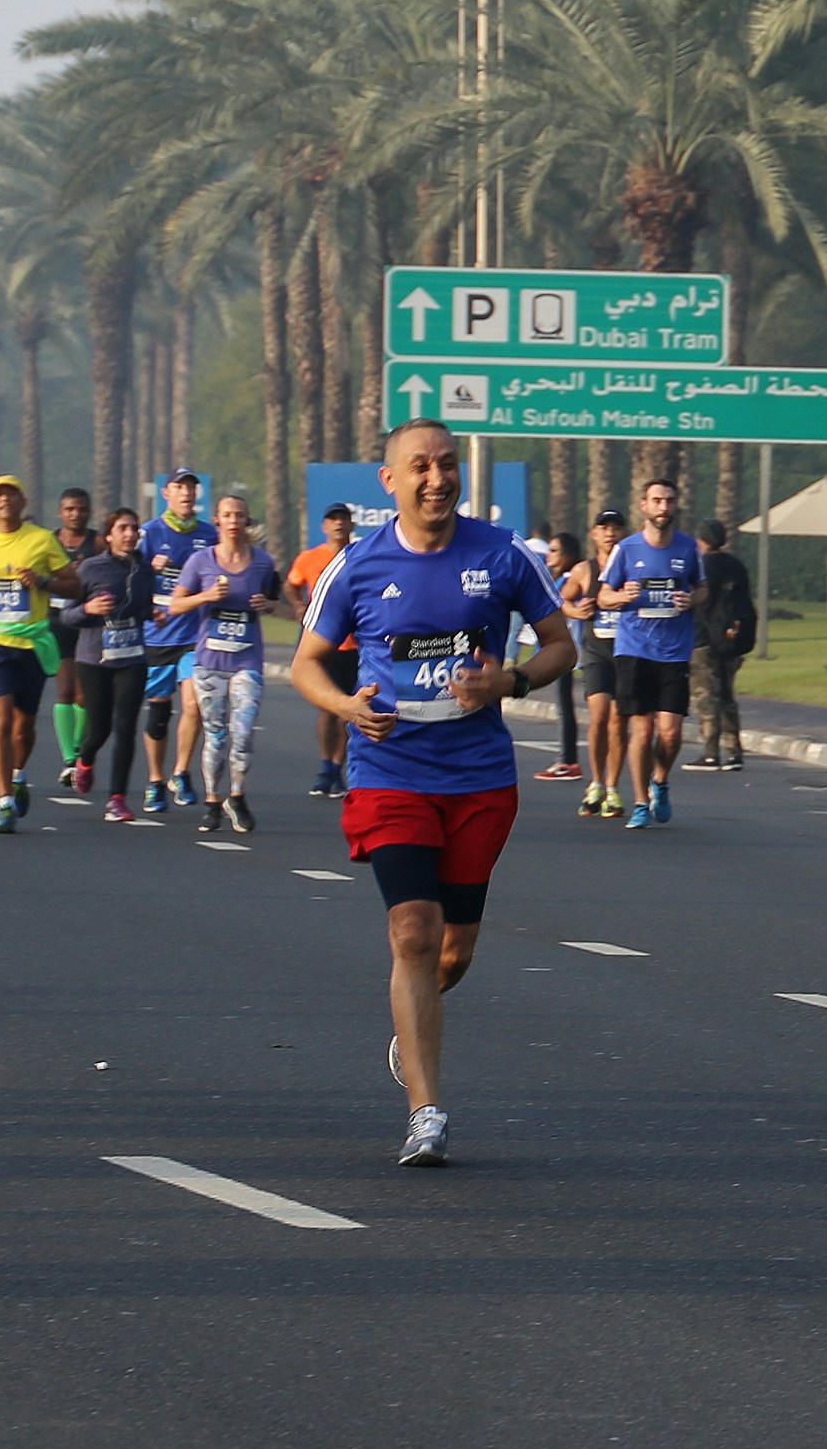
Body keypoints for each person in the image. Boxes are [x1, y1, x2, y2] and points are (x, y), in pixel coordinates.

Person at [290, 419, 574, 1168]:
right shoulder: (356, 564)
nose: (436, 479)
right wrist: (347, 707)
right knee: (413, 932)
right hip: (389, 770)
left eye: (447, 464)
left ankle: (414, 1017)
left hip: (479, 777)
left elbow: (561, 645)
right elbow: (306, 663)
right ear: (390, 481)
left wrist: (509, 681)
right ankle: (427, 1113)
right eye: (419, 466)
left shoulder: (502, 553)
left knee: (453, 950)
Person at [0, 475, 80, 835]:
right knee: (0, 720)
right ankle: (4, 802)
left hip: (31, 641)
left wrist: (43, 582)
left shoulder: (42, 540)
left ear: (22, 503)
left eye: (10, 495)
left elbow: (74, 584)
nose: (4, 500)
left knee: (24, 727)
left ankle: (19, 775)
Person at [170, 492, 283, 834]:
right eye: (228, 515)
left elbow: (280, 605)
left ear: (247, 522)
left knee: (244, 732)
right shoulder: (200, 561)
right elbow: (175, 605)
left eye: (239, 515)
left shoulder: (263, 563)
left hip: (247, 659)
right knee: (216, 735)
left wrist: (267, 605)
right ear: (217, 521)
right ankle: (212, 800)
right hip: (210, 661)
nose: (234, 521)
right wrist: (206, 596)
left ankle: (237, 795)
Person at [597, 478, 701, 828]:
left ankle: (660, 780)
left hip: (674, 650)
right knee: (642, 729)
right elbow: (603, 596)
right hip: (635, 648)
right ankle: (641, 802)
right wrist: (621, 597)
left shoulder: (688, 548)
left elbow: (702, 589)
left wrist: (691, 599)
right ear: (644, 505)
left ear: (675, 505)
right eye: (656, 500)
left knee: (670, 732)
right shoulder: (626, 549)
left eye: (669, 501)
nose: (663, 507)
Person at [68, 510, 154, 820]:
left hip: (132, 656)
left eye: (134, 528)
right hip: (94, 658)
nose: (130, 534)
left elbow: (144, 607)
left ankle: (117, 798)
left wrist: (153, 614)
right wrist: (88, 609)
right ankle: (85, 759)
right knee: (100, 727)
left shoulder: (145, 569)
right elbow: (66, 614)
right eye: (122, 528)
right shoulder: (91, 568)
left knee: (126, 726)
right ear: (108, 535)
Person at [137, 471, 214, 812]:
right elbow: (130, 577)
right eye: (179, 487)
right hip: (157, 634)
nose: (186, 493)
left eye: (191, 487)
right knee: (158, 713)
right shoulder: (150, 533)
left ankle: (180, 772)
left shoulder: (208, 535)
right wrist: (149, 570)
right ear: (166, 493)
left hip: (195, 634)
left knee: (194, 705)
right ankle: (155, 780)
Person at [288, 502, 359, 799]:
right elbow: (291, 584)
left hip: (355, 644)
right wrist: (298, 606)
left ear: (351, 525)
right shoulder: (309, 558)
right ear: (324, 526)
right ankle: (325, 767)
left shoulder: (361, 556)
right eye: (333, 519)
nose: (338, 524)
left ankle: (337, 769)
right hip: (323, 644)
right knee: (327, 709)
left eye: (343, 519)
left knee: (348, 710)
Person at [569, 507, 626, 815]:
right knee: (599, 714)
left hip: (627, 653)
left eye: (615, 528)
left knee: (618, 720)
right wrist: (577, 611)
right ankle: (596, 782)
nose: (610, 533)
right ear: (593, 534)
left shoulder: (632, 566)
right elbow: (562, 599)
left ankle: (612, 787)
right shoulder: (584, 570)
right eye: (604, 528)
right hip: (596, 653)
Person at [690, 518, 756, 770]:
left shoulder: (702, 566)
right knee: (727, 695)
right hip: (732, 639)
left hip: (704, 639)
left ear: (701, 541)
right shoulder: (736, 566)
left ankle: (710, 753)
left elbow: (699, 600)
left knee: (706, 696)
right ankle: (734, 751)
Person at [46, 486, 97, 783]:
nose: (76, 514)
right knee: (65, 690)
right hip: (57, 621)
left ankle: (79, 753)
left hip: (88, 622)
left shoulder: (97, 543)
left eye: (81, 509)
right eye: (70, 509)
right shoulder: (49, 542)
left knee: (84, 693)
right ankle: (69, 759)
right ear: (60, 512)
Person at [534, 531, 591, 782]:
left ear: (568, 553)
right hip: (564, 650)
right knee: (563, 705)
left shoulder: (571, 579)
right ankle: (567, 759)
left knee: (564, 707)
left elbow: (564, 608)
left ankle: (567, 760)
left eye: (555, 550)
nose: (549, 555)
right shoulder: (560, 579)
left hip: (567, 651)